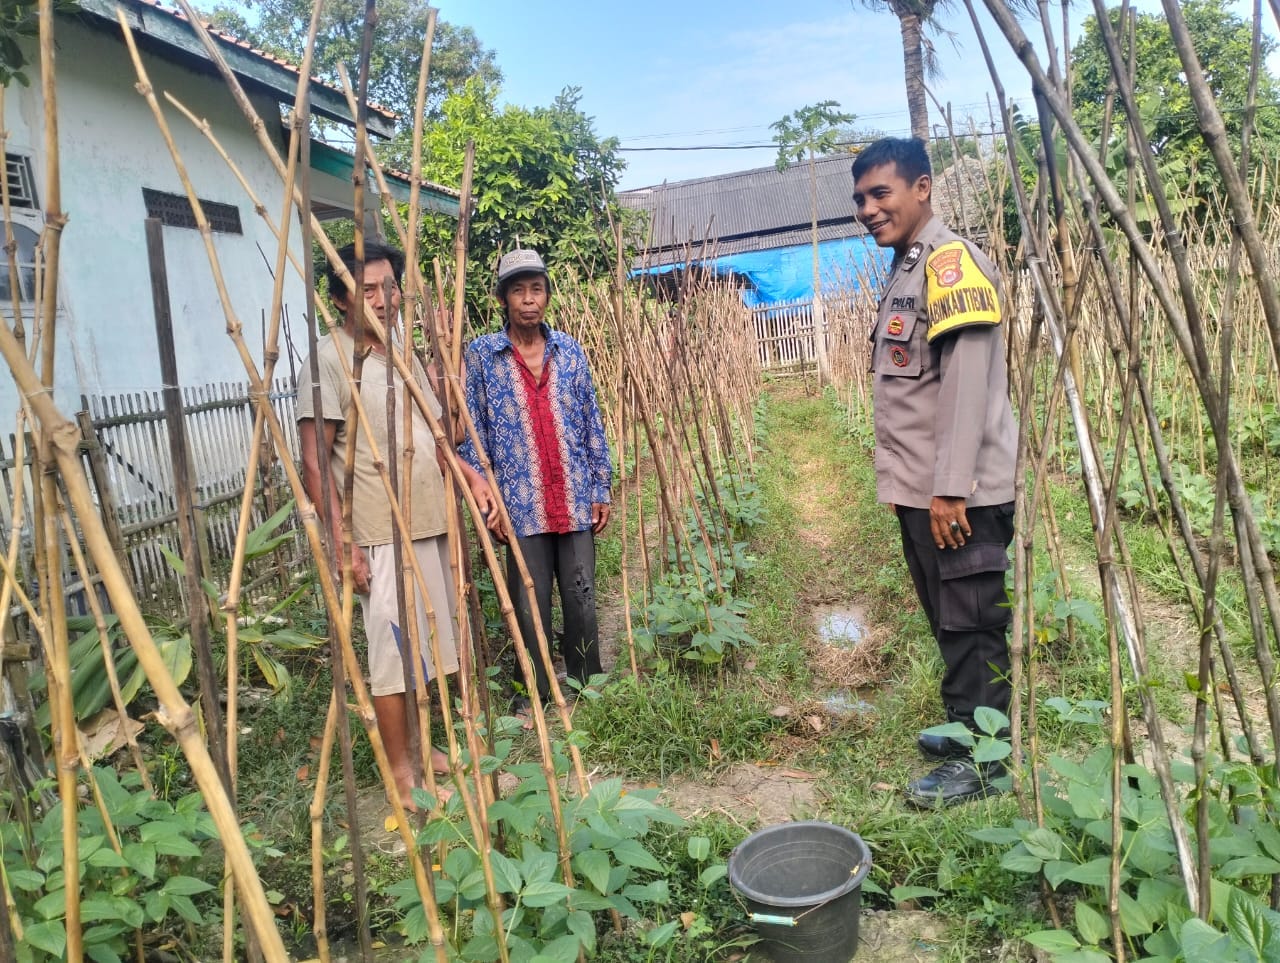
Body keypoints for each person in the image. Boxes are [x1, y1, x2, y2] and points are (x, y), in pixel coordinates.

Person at [297, 240, 496, 808]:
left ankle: (423, 749)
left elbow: (437, 437)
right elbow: (315, 459)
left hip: (428, 521)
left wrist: (472, 477)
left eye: (390, 287)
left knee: (426, 647)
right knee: (391, 653)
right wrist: (343, 543)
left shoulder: (401, 354)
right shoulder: (330, 360)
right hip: (377, 531)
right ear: (339, 300)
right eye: (367, 290)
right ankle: (400, 771)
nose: (384, 300)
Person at [851, 138, 1018, 808]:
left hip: (960, 492)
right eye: (860, 198)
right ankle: (963, 728)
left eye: (880, 193)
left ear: (922, 188)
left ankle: (987, 763)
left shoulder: (949, 264)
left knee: (974, 622)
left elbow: (966, 383)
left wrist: (950, 488)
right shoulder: (905, 268)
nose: (868, 208)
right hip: (925, 490)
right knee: (950, 619)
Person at [459, 248, 613, 722]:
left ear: (546, 295)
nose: (529, 300)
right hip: (520, 504)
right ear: (504, 298)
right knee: (529, 603)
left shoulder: (569, 350)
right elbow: (471, 432)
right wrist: (487, 498)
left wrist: (600, 487)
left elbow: (591, 420)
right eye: (518, 291)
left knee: (581, 592)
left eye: (537, 289)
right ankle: (540, 690)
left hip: (572, 493)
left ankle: (588, 682)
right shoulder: (482, 356)